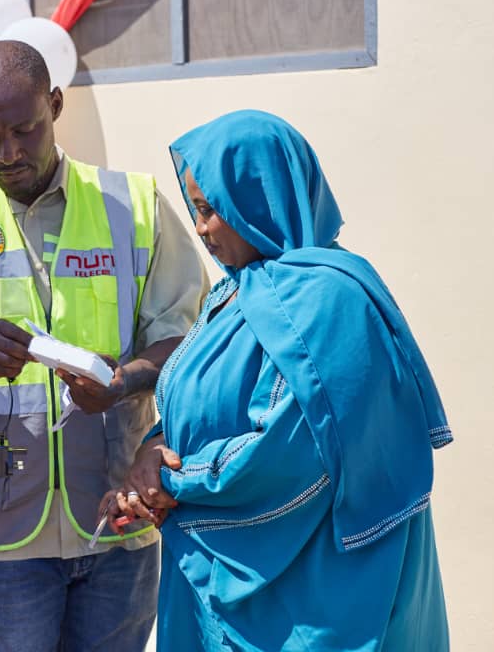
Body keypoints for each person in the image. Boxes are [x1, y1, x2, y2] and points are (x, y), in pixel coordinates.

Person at [0, 40, 207, 652]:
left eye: (24, 130)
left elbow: (189, 339)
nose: (7, 154)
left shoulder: (133, 204)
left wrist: (127, 377)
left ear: (54, 105)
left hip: (118, 520)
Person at [107, 110, 453, 651]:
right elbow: (188, 400)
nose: (200, 229)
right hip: (229, 580)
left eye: (209, 210)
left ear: (259, 198)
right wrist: (151, 455)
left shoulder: (331, 301)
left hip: (309, 596)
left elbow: (295, 455)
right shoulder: (235, 292)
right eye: (195, 209)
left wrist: (171, 484)